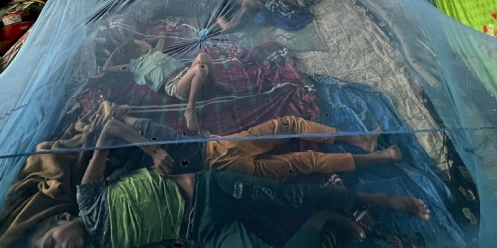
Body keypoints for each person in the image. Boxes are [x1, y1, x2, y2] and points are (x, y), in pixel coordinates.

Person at [26, 107, 431, 248]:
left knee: (292, 159)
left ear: (61, 219)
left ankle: (366, 178)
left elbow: (111, 128)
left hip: (209, 181)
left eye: (51, 244)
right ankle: (335, 203)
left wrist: (152, 152)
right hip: (205, 219)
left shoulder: (89, 197)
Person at [97, 102, 402, 179]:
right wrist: (153, 151)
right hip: (217, 151)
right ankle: (363, 141)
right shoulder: (119, 141)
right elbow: (110, 122)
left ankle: (380, 157)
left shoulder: (113, 162)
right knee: (290, 125)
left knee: (303, 163)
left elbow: (110, 116)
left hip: (217, 172)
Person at [100, 37, 230, 131]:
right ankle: (190, 109)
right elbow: (107, 68)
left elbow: (161, 37)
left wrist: (143, 41)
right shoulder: (134, 66)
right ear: (137, 49)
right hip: (176, 84)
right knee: (201, 69)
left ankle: (214, 83)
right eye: (142, 41)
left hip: (185, 72)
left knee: (203, 56)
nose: (145, 40)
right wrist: (118, 50)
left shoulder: (156, 51)